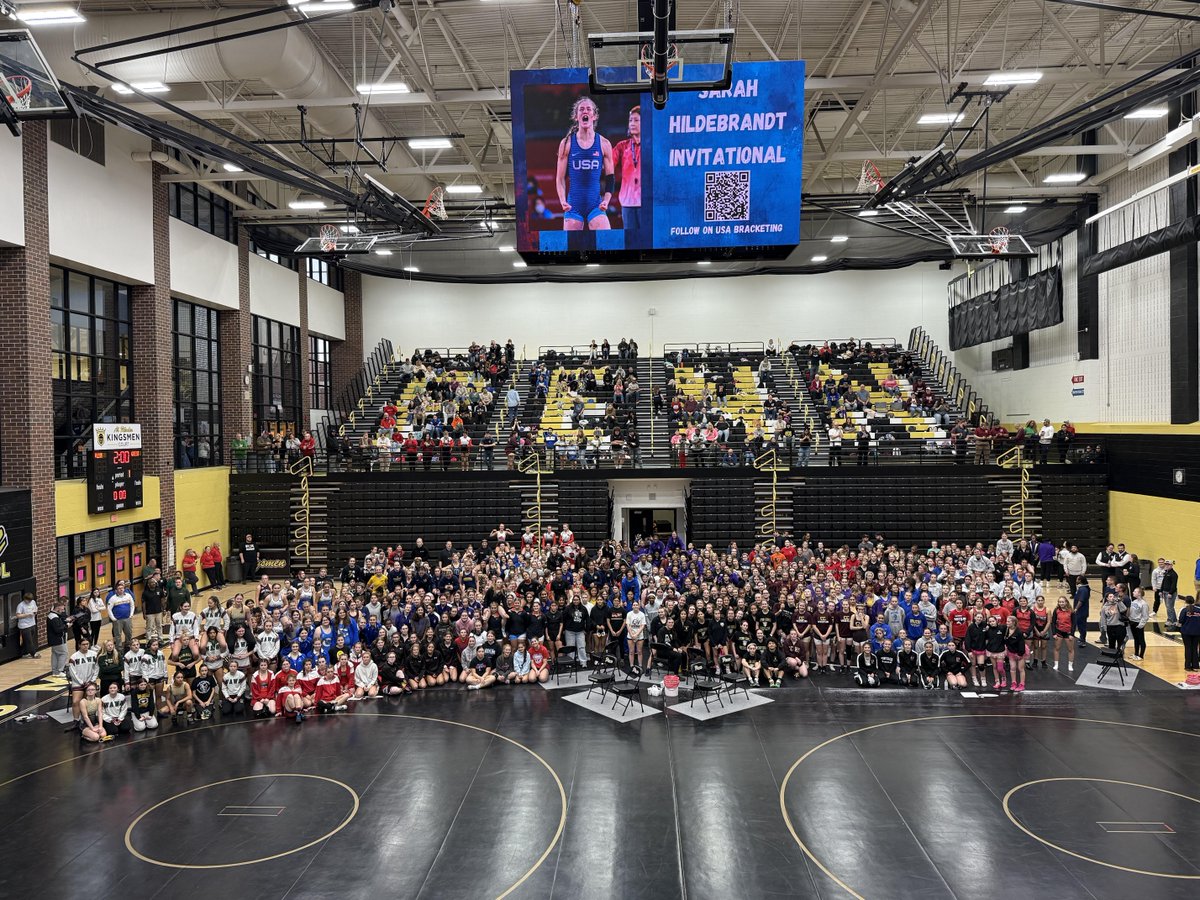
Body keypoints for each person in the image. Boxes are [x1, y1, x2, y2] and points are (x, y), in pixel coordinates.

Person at [556, 96, 614, 232]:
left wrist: (606, 200)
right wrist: (562, 200)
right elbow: (560, 178)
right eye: (581, 109)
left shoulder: (604, 144)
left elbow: (610, 177)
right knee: (571, 251)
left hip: (596, 206)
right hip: (573, 207)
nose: (585, 111)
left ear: (594, 116)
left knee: (608, 242)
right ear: (576, 117)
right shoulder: (566, 143)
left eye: (588, 109)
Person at [613, 105, 642, 234]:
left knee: (649, 241)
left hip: (647, 202)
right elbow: (608, 164)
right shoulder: (622, 146)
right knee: (632, 242)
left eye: (636, 120)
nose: (632, 124)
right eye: (630, 120)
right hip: (628, 203)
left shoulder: (653, 144)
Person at [106, 581, 135, 653]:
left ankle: (128, 646)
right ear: (116, 590)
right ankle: (119, 649)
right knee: (118, 635)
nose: (121, 589)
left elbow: (132, 605)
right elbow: (109, 609)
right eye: (119, 588)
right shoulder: (112, 598)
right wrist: (113, 618)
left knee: (129, 633)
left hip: (127, 618)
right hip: (117, 620)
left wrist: (131, 614)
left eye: (122, 588)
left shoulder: (128, 596)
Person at [46, 599, 72, 676]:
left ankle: (55, 671)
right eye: (62, 609)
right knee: (63, 653)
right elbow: (58, 629)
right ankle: (60, 671)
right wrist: (67, 626)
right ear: (57, 608)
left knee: (55, 654)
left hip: (53, 640)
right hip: (58, 639)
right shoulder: (54, 618)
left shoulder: (51, 616)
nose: (63, 610)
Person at [15, 592, 39, 659]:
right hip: (24, 625)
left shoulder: (33, 602)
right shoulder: (21, 605)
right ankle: (33, 653)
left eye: (30, 600)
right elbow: (18, 615)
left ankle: (24, 653)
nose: (29, 602)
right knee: (29, 640)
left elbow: (35, 608)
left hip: (32, 623)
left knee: (27, 640)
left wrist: (35, 612)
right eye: (28, 600)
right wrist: (28, 614)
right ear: (24, 599)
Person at [1128, 588, 1149, 661]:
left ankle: (1141, 655)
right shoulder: (1134, 601)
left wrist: (1141, 625)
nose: (1133, 592)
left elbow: (1145, 616)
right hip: (1132, 622)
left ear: (1139, 593)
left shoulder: (1144, 604)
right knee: (1136, 639)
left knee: (1141, 639)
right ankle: (1136, 654)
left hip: (1138, 623)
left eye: (1135, 591)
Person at [1180, 596, 1200, 671]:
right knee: (1194, 648)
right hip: (1197, 632)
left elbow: (1181, 620)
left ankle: (1188, 666)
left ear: (1185, 602)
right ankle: (1195, 666)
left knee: (1188, 648)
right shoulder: (1198, 610)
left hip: (1186, 632)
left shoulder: (1184, 610)